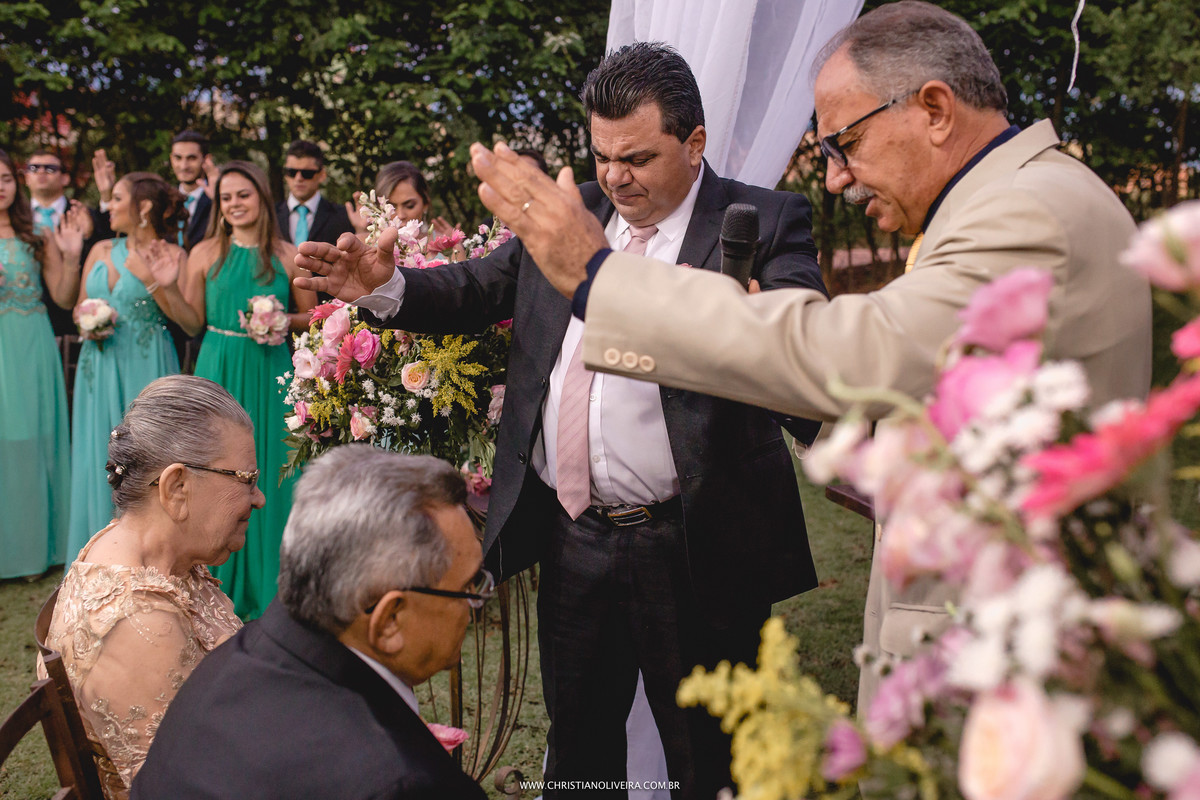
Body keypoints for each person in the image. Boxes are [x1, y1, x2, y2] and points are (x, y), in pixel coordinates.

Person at [465, 2, 1154, 710]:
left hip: (1006, 656)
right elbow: (924, 406)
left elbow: (858, 353)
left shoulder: (1023, 212)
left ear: (935, 109)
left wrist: (601, 277)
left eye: (843, 143)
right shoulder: (1015, 199)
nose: (834, 178)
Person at [296, 42, 825, 798]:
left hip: (698, 543)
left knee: (714, 761)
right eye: (604, 154)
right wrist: (383, 287)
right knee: (579, 752)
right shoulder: (575, 212)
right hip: (576, 537)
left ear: (695, 143)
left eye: (638, 156)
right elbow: (480, 288)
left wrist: (745, 322)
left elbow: (804, 353)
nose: (615, 175)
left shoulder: (763, 222)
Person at [130, 446, 488, 799]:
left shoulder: (225, 665)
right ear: (389, 621)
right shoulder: (403, 781)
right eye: (468, 587)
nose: (474, 604)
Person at [43, 375, 258, 798]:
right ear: (177, 487)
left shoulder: (145, 550)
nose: (259, 497)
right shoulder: (138, 625)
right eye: (246, 479)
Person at [178, 160, 316, 619]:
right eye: (226, 197)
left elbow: (313, 316)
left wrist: (279, 320)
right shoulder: (203, 254)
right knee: (215, 471)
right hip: (218, 365)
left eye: (243, 195)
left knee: (273, 472)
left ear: (261, 196)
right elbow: (192, 321)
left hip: (271, 370)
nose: (235, 204)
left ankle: (276, 587)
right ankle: (214, 581)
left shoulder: (285, 253)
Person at [66, 172, 192, 562]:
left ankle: (149, 553)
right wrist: (88, 320)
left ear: (145, 208)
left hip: (147, 360)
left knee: (146, 458)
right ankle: (95, 553)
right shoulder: (100, 248)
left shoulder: (173, 254)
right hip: (98, 365)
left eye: (117, 198)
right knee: (97, 451)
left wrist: (153, 282)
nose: (109, 206)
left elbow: (189, 322)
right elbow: (79, 305)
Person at [0, 148, 83, 579]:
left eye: (5, 178)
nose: (0, 185)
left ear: (16, 184)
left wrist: (70, 256)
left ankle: (33, 551)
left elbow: (66, 298)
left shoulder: (36, 233)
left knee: (30, 440)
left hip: (30, 347)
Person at [24, 149, 110, 336]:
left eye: (50, 168)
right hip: (23, 316)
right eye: (34, 168)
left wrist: (88, 236)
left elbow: (107, 254)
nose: (41, 172)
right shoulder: (15, 217)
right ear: (26, 178)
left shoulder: (84, 215)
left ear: (65, 178)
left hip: (72, 320)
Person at [348, 160, 460, 240]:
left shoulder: (445, 245)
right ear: (378, 207)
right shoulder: (367, 247)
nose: (400, 215)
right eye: (390, 208)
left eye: (410, 206)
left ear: (425, 203)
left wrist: (453, 247)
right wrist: (361, 231)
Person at [276, 139, 355, 247]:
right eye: (292, 172)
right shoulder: (269, 214)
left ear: (322, 175)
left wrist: (360, 230)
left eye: (307, 173)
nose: (298, 178)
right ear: (285, 174)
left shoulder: (343, 217)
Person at [168, 131, 214, 251]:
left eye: (191, 158)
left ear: (206, 159)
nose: (184, 166)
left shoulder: (218, 200)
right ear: (171, 159)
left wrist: (217, 199)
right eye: (178, 158)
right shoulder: (164, 200)